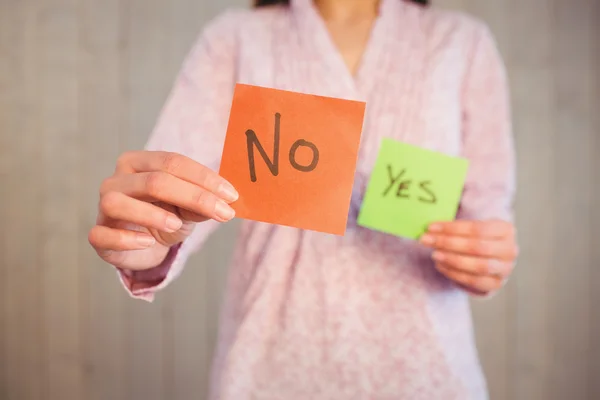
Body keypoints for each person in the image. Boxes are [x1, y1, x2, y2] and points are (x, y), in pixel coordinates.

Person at [88, 0, 518, 398]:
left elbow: (486, 216)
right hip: (267, 369)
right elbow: (172, 205)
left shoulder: (463, 42)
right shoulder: (236, 38)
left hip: (428, 373)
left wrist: (486, 256)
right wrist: (146, 235)